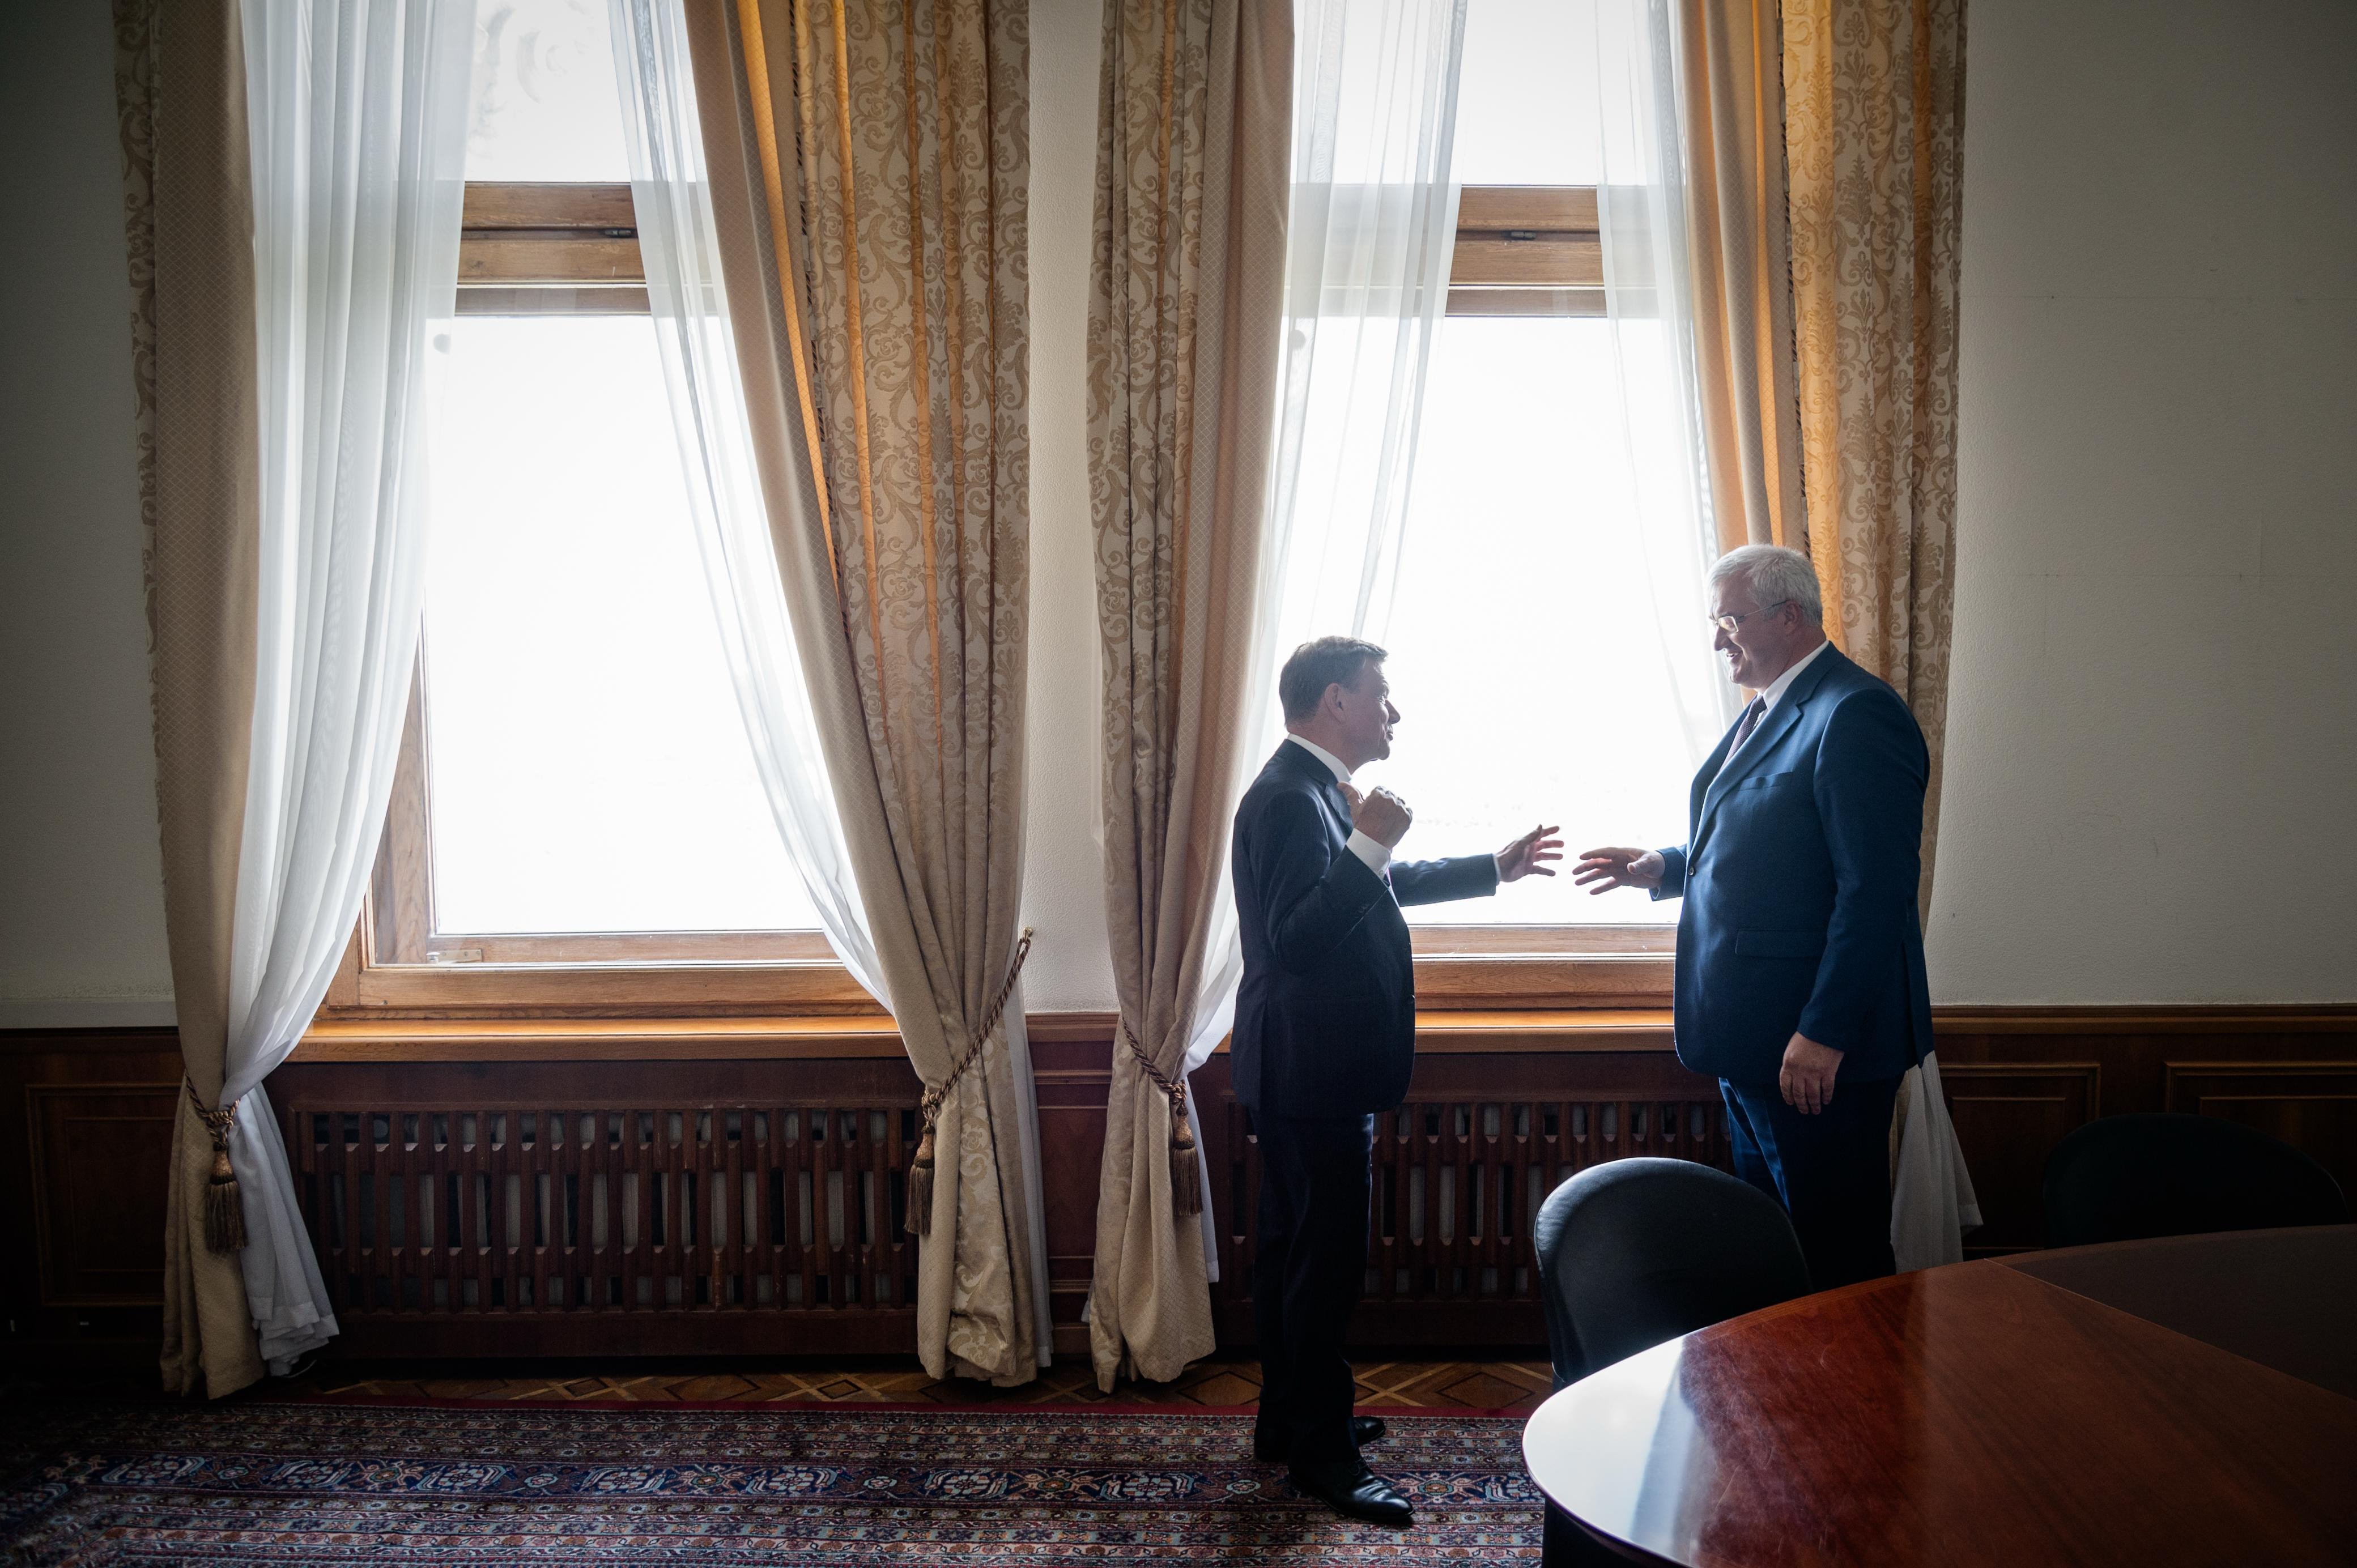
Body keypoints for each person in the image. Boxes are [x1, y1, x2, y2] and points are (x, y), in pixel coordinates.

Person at [1232, 636, 1562, 1527]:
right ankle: (1322, 1454)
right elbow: (1299, 938)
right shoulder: (1289, 798)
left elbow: (1369, 886)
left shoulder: (1309, 790)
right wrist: (1372, 839)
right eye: (1382, 696)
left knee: (1294, 1255)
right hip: (1314, 1076)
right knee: (1322, 1267)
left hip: (1308, 1071)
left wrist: (1490, 869)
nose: (1395, 712)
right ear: (1336, 701)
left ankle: (1289, 1419)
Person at [1575, 544, 1931, 1291]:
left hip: (1813, 1052)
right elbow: (1770, 845)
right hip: (1753, 1043)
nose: (1717, 641)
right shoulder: (1771, 707)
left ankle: (1857, 1376)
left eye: (1730, 621)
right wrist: (1662, 866)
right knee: (1775, 1254)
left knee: (1835, 1261)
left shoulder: (1855, 712)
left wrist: (1824, 1033)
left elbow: (1875, 892)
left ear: (1789, 615)